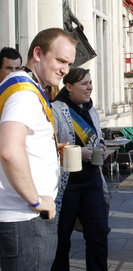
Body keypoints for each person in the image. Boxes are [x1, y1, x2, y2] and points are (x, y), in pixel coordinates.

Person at [0, 28, 76, 270]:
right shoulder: (24, 93)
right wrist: (36, 200)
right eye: (60, 60)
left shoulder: (22, 87)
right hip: (25, 218)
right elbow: (9, 151)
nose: (65, 70)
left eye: (70, 63)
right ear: (37, 54)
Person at [50, 68, 109, 271]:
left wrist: (102, 147)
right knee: (61, 240)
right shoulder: (55, 109)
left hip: (92, 181)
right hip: (67, 187)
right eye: (84, 84)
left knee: (98, 236)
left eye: (90, 83)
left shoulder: (92, 110)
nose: (90, 87)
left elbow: (98, 137)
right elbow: (49, 147)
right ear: (68, 87)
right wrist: (78, 153)